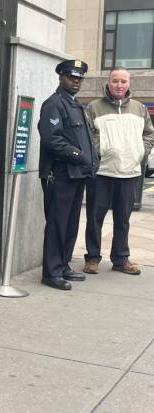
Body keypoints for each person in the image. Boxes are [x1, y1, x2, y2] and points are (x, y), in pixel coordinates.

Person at [83, 67, 154, 276]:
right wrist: (99, 151)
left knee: (123, 220)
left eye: (123, 81)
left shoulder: (140, 109)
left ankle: (121, 258)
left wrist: (140, 151)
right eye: (115, 81)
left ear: (129, 84)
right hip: (102, 173)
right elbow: (87, 136)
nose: (119, 85)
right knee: (95, 218)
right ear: (108, 82)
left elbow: (149, 134)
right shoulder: (94, 107)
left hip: (129, 173)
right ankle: (93, 258)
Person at [38, 59, 99, 290]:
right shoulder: (54, 104)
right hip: (59, 174)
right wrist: (79, 155)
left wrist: (91, 159)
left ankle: (63, 265)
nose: (76, 81)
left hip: (76, 174)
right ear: (61, 77)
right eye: (71, 77)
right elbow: (52, 140)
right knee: (57, 223)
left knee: (71, 223)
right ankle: (51, 273)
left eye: (79, 78)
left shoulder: (75, 105)